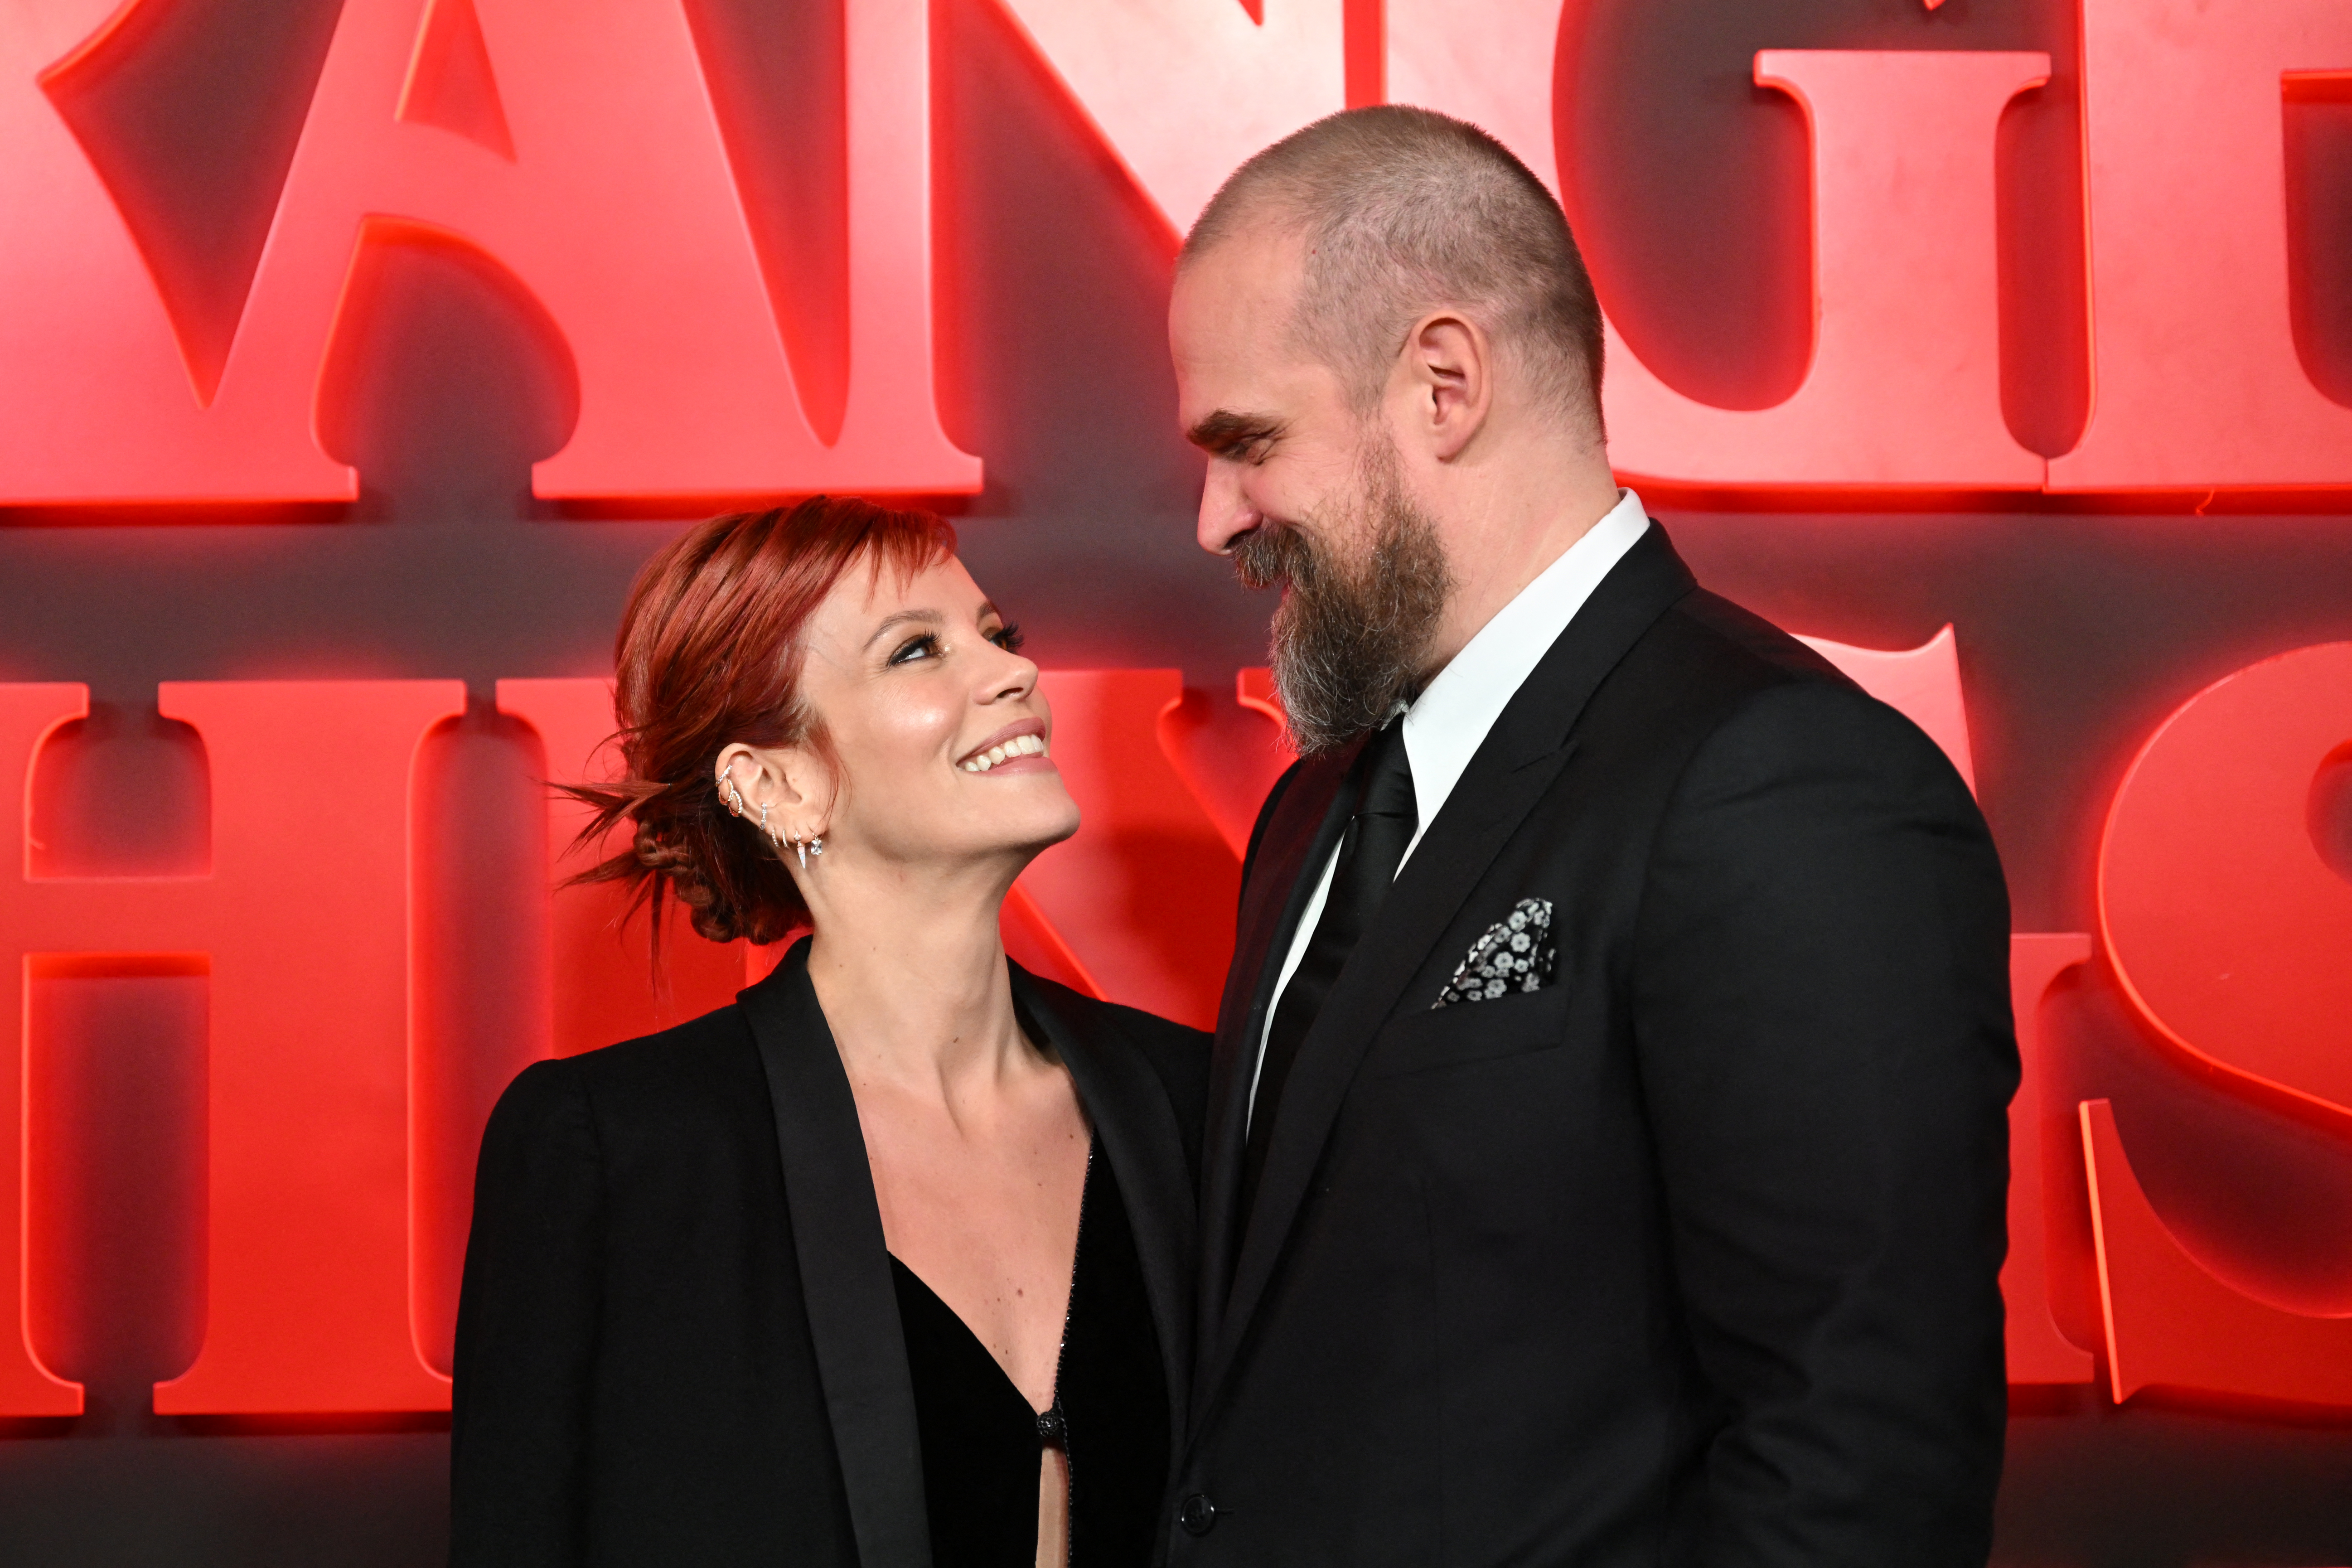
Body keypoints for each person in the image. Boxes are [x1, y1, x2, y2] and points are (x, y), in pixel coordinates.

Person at [1161, 106, 2017, 1566]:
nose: (1210, 519)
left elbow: (1856, 1466)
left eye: (1248, 443)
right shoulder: (1313, 812)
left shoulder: (1778, 784)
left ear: (1442, 385)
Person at [450, 497, 1206, 1568]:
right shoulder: (617, 1157)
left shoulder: (1192, 1105)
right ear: (778, 784)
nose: (1013, 672)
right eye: (917, 650)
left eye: (998, 634)